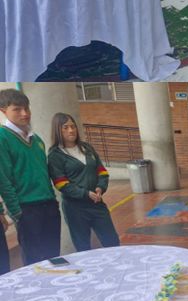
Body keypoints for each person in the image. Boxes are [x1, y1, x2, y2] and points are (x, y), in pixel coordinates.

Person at [0, 88, 61, 265]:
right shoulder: (3, 138)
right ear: (3, 111)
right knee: (34, 262)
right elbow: (3, 179)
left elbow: (43, 173)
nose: (24, 113)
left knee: (53, 257)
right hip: (26, 209)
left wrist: (52, 199)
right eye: (17, 109)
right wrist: (16, 212)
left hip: (48, 205)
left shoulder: (37, 139)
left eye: (26, 108)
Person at [47, 113, 120, 251]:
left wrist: (100, 187)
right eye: (65, 127)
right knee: (83, 247)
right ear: (57, 130)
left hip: (96, 203)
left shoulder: (87, 148)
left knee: (112, 241)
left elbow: (102, 171)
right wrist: (86, 194)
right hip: (75, 208)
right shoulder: (55, 155)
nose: (71, 130)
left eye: (73, 126)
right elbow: (61, 184)